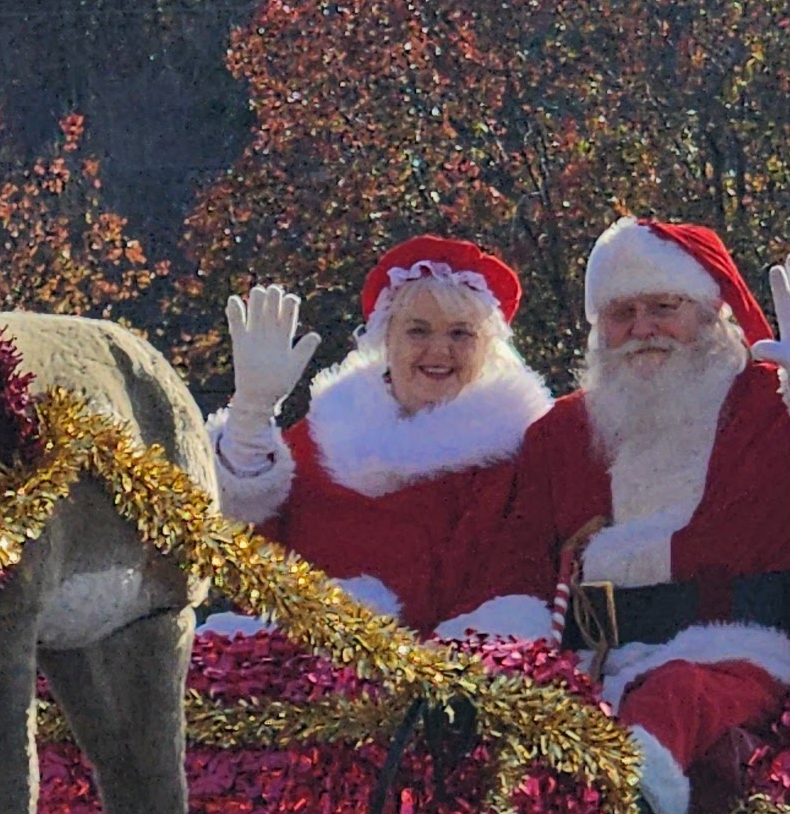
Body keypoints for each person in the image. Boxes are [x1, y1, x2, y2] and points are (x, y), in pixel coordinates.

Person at [450, 218, 790, 814]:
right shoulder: (561, 436)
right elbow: (515, 568)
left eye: (663, 307)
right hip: (594, 668)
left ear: (709, 312)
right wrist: (500, 659)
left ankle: (635, 802)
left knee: (678, 694)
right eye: (622, 313)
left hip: (740, 660)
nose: (642, 329)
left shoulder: (776, 405)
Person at [208, 235, 553, 632]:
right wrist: (251, 418)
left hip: (433, 676)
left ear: (488, 347)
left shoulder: (513, 459)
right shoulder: (324, 435)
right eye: (418, 331)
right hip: (290, 662)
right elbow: (248, 559)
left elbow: (511, 583)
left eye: (460, 334)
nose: (439, 351)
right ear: (386, 338)